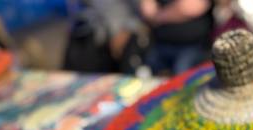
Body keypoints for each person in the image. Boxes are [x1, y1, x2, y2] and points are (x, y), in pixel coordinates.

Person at [64, 0, 213, 75]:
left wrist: (159, 16)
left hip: (191, 47)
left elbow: (191, 7)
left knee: (186, 86)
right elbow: (146, 9)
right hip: (157, 43)